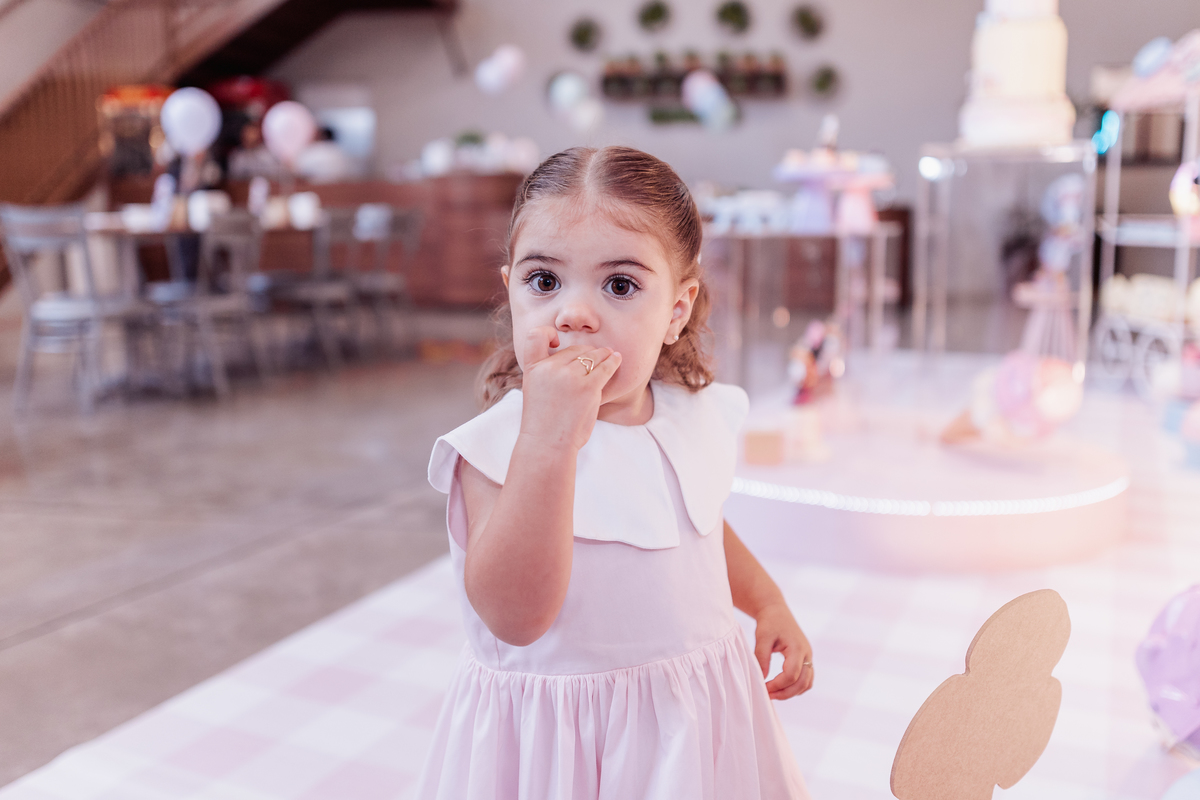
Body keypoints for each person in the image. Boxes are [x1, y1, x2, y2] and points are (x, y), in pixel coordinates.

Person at [421, 146, 814, 799]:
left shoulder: (689, 416)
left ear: (678, 310)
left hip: (691, 722)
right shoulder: (494, 449)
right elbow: (514, 618)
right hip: (561, 747)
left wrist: (768, 601)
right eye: (544, 281)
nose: (573, 314)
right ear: (511, 287)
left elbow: (699, 527)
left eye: (620, 285)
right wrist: (547, 441)